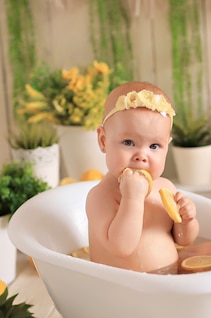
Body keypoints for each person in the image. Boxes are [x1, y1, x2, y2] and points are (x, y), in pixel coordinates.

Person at [85, 81, 201, 274]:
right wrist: (132, 198)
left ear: (166, 146)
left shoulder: (165, 188)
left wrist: (187, 221)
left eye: (154, 146)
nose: (141, 155)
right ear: (103, 140)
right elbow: (121, 247)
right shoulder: (101, 196)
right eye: (128, 142)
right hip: (127, 287)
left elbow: (183, 240)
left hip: (170, 276)